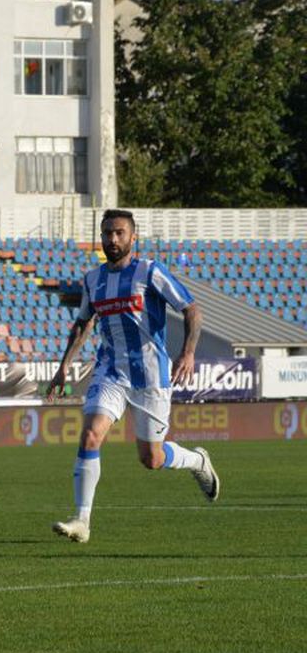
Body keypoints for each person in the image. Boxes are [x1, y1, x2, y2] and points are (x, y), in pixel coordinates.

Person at [44, 209, 219, 544]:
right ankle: (82, 521)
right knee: (91, 435)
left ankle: (197, 460)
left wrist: (188, 352)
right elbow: (83, 323)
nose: (112, 239)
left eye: (119, 233)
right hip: (110, 370)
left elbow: (192, 309)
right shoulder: (93, 279)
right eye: (107, 233)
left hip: (150, 375)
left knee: (151, 459)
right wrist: (64, 366)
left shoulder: (149, 271)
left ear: (132, 237)